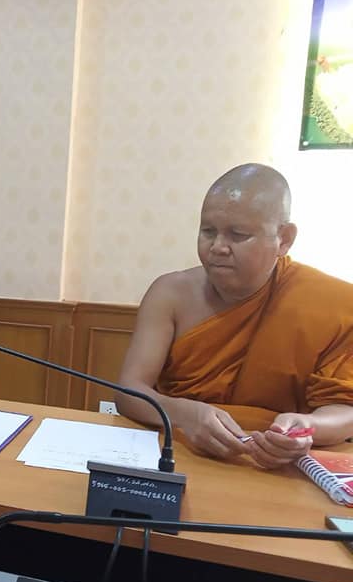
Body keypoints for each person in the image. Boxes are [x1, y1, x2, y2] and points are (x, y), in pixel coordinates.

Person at [116, 163, 353, 469]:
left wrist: (306, 428)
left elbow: (345, 410)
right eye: (208, 231)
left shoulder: (334, 304)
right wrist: (184, 414)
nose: (217, 247)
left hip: (278, 466)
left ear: (284, 239)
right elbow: (129, 391)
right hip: (180, 453)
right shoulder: (170, 294)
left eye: (238, 235)